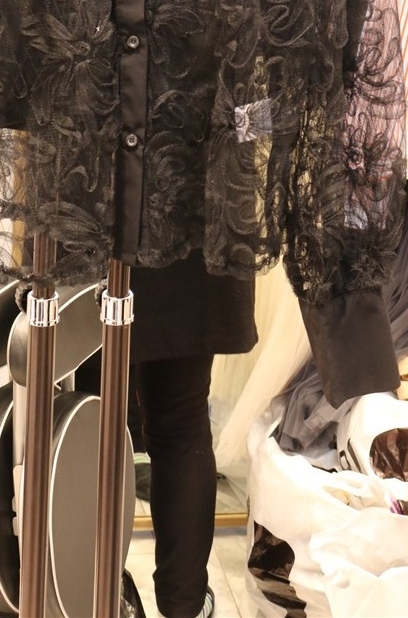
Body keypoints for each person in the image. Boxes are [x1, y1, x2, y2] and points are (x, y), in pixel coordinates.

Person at [129, 252, 256, 618]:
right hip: (191, 239)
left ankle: (86, 594)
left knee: (84, 418)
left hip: (88, 237)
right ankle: (184, 605)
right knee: (180, 426)